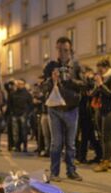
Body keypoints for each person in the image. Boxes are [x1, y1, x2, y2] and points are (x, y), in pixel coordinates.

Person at [42, 36, 85, 182]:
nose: (62, 53)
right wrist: (51, 80)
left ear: (70, 50)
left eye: (65, 50)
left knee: (71, 144)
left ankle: (71, 171)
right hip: (55, 109)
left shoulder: (77, 66)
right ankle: (54, 172)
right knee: (56, 143)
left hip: (72, 108)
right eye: (60, 50)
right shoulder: (51, 66)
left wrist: (70, 80)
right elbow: (43, 88)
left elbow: (85, 84)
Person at [91, 58, 111, 172]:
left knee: (106, 136)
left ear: (106, 67)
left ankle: (106, 161)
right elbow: (92, 93)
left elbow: (110, 92)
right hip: (100, 108)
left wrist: (101, 84)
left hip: (110, 110)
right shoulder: (101, 77)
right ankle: (108, 159)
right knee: (102, 136)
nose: (99, 70)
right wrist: (98, 84)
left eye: (101, 68)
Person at [8, 79, 34, 152]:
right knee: (15, 132)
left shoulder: (27, 94)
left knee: (24, 131)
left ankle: (25, 147)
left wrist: (27, 113)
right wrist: (12, 112)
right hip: (15, 114)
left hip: (23, 114)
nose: (19, 85)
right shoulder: (13, 93)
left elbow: (31, 105)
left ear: (24, 84)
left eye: (21, 84)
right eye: (18, 84)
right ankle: (17, 146)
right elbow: (10, 104)